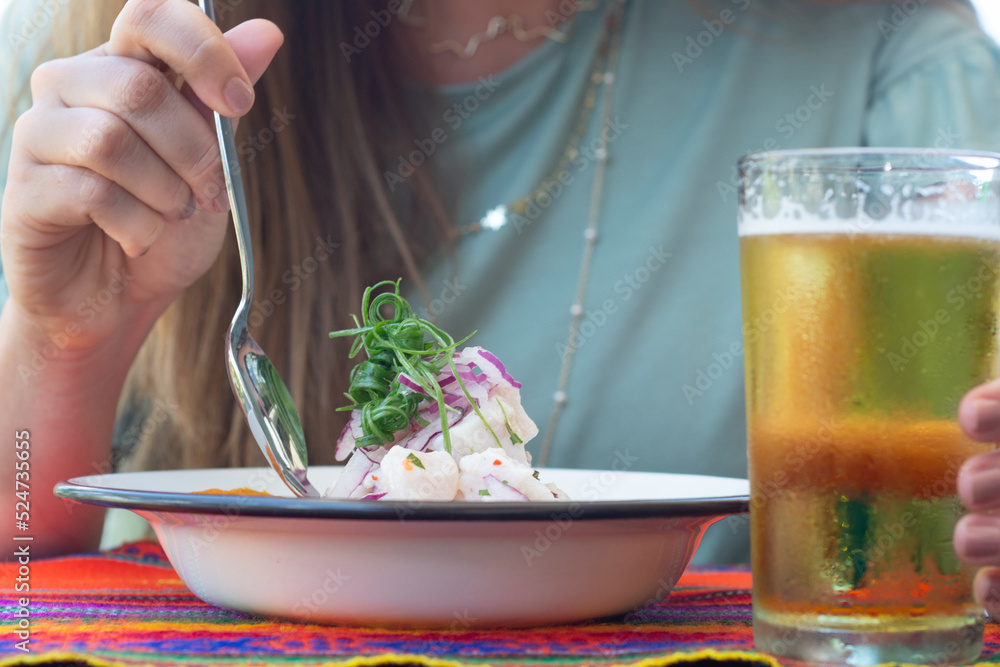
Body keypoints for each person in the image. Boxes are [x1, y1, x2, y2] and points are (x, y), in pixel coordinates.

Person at [3, 0, 1000, 577]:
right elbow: (17, 554)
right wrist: (66, 343)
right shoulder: (114, 64)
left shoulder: (878, 46)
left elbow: (948, 532)